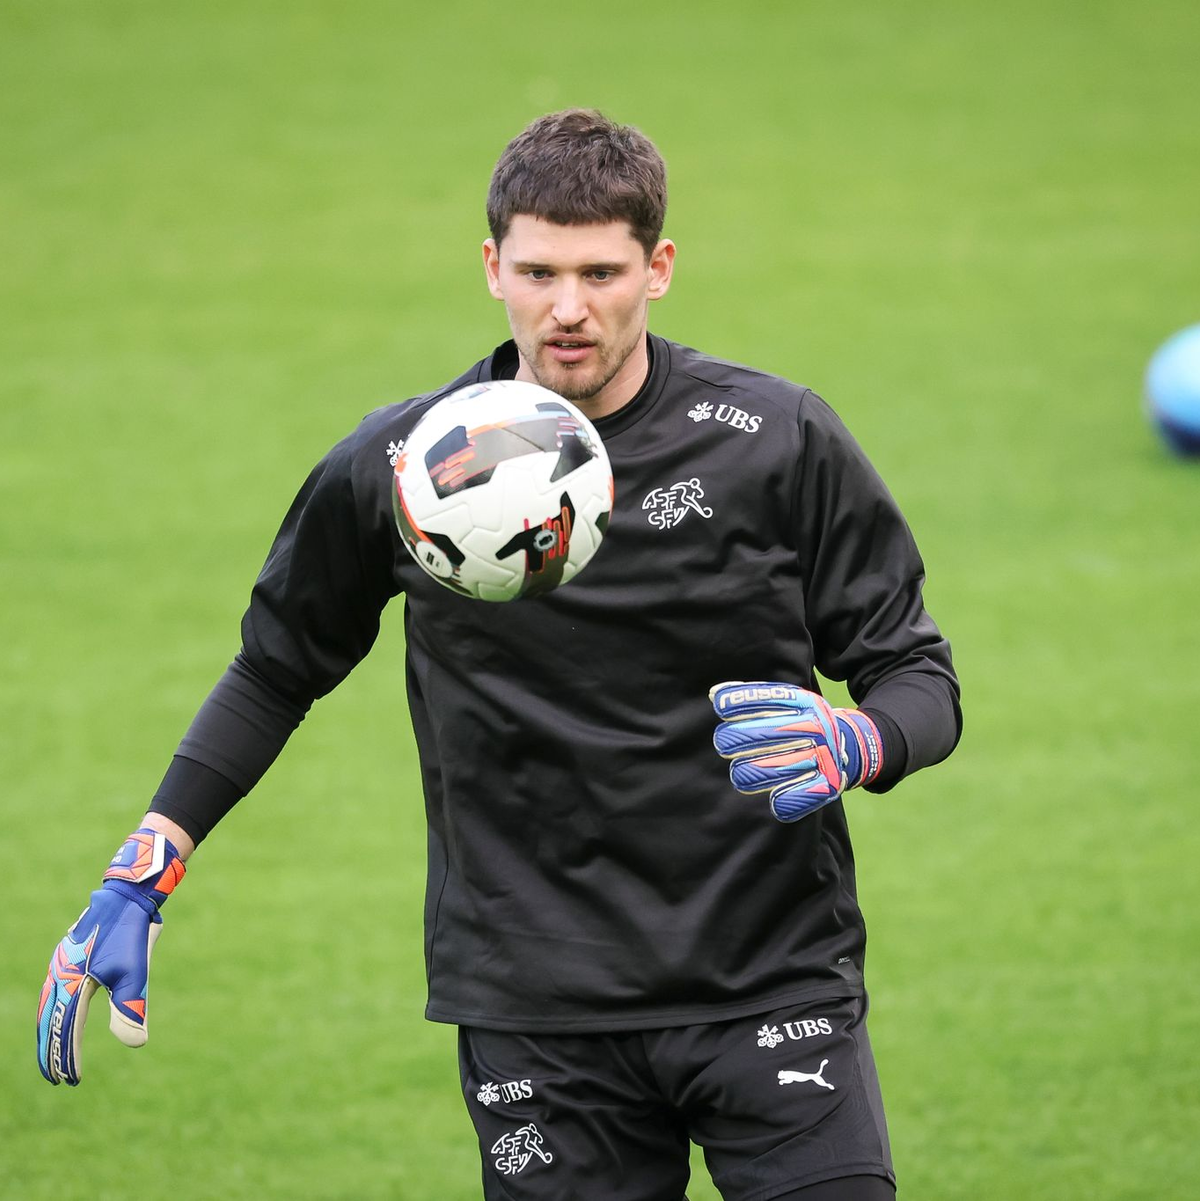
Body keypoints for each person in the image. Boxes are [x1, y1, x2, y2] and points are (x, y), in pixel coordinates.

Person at [37, 109, 961, 1200]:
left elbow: (918, 675)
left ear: (658, 267)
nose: (569, 309)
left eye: (601, 272)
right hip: (537, 1012)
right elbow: (275, 669)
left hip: (769, 980)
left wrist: (864, 738)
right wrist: (143, 870)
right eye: (538, 271)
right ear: (492, 267)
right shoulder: (403, 466)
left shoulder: (774, 440)